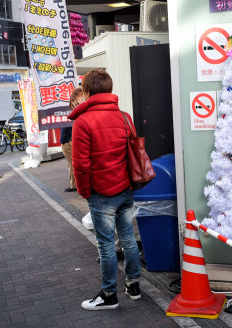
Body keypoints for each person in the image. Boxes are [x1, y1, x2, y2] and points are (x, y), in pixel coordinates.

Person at [69, 69, 141, 310]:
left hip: (101, 193)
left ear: (87, 92)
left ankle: (109, 294)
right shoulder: (124, 117)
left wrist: (85, 191)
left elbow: (80, 164)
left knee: (106, 245)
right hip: (125, 189)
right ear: (108, 89)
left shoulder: (83, 121)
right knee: (129, 238)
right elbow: (132, 152)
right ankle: (133, 285)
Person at [60, 88, 84, 192]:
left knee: (74, 164)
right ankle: (75, 185)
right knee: (72, 164)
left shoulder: (81, 117)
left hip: (69, 140)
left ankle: (77, 185)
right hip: (68, 139)